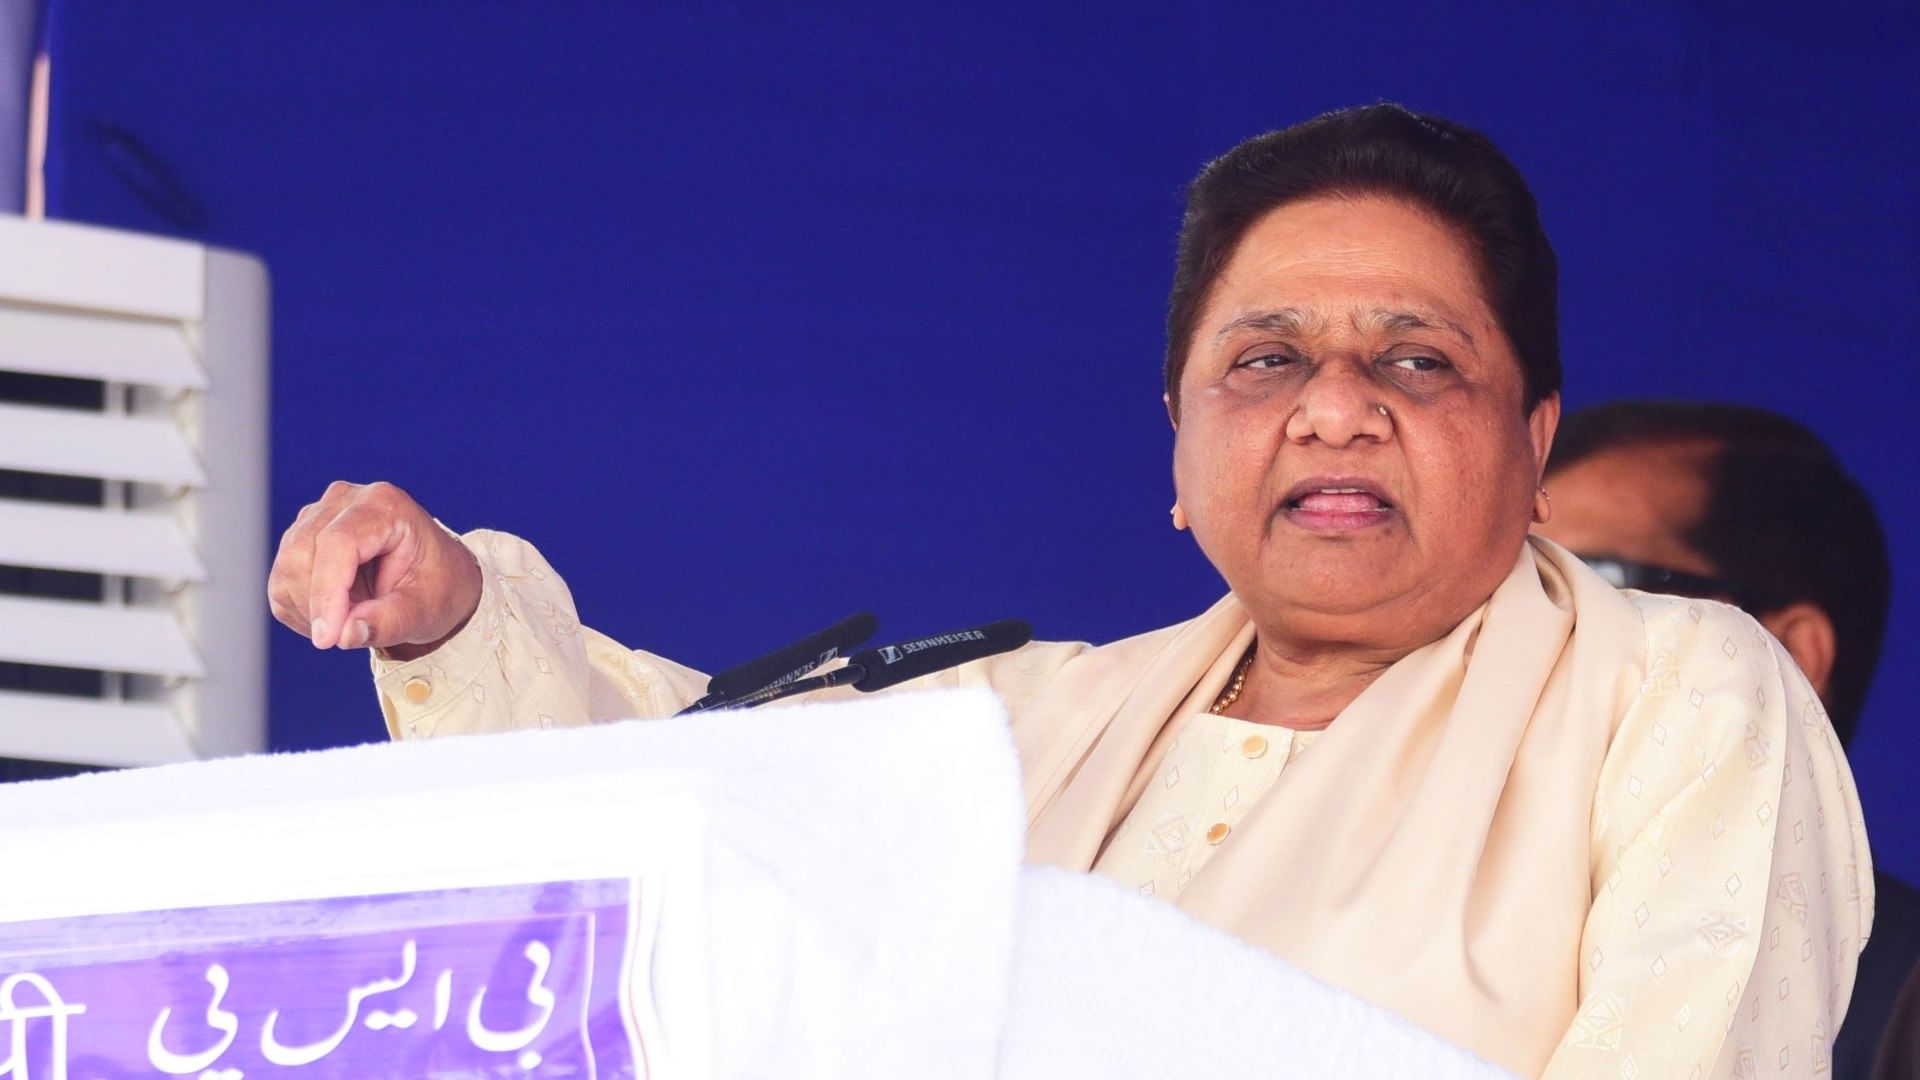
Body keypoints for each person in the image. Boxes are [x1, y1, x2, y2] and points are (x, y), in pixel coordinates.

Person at [266, 105, 1871, 1078]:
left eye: (1415, 360)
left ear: (1533, 444)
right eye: (1265, 361)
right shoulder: (1020, 721)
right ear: (1179, 450)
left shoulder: (1678, 692)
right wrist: (456, 614)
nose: (1334, 409)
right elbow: (687, 795)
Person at [1537, 400, 1911, 1079]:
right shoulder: (1437, 924)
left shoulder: (1903, 1009)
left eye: (1594, 587)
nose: (1523, 638)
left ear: (1788, 656)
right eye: (1518, 593)